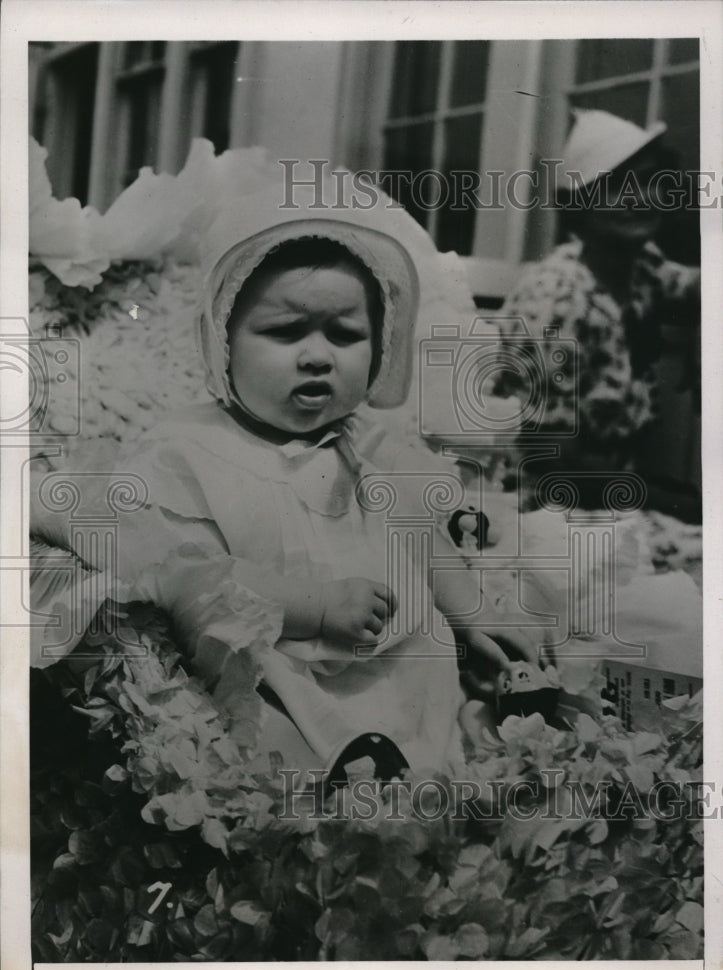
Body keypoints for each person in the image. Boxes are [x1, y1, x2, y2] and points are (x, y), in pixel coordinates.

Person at [32, 167, 544, 781]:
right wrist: (315, 607)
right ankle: (337, 787)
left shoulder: (372, 446)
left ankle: (452, 757)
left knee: (443, 694)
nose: (317, 355)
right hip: (282, 661)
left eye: (346, 335)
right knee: (271, 727)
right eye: (284, 332)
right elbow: (190, 578)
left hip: (398, 654)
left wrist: (473, 611)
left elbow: (422, 540)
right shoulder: (189, 452)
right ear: (222, 342)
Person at [495, 109, 700, 484]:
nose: (640, 198)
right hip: (535, 502)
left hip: (611, 498)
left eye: (649, 180)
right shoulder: (556, 298)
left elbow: (698, 287)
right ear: (579, 204)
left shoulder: (641, 268)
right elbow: (551, 456)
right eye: (617, 184)